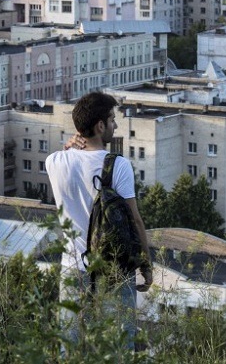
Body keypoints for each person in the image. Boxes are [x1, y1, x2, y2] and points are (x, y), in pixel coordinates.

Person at [46, 92, 153, 349]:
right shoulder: (118, 165)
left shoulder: (54, 162)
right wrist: (146, 264)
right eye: (112, 120)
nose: (115, 126)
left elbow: (70, 160)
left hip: (73, 267)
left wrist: (70, 147)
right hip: (113, 269)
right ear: (100, 125)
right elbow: (135, 221)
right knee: (117, 347)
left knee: (69, 347)